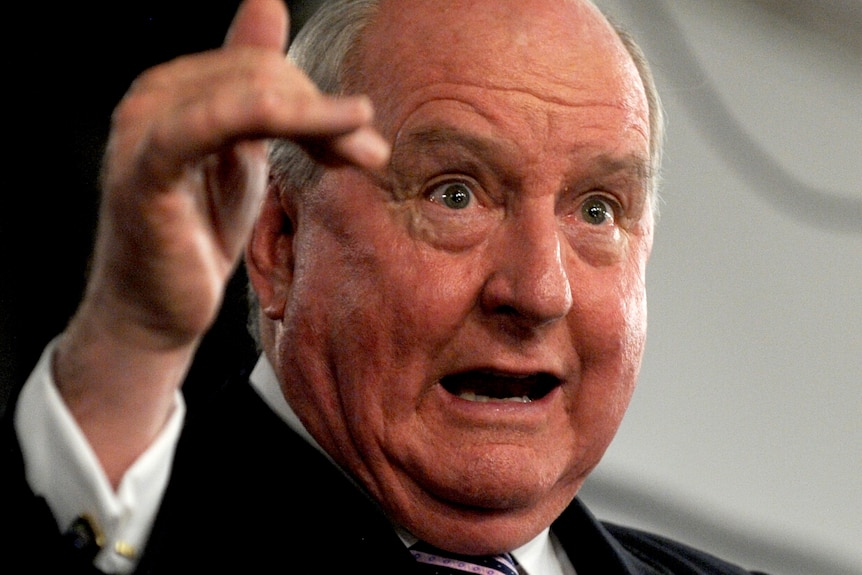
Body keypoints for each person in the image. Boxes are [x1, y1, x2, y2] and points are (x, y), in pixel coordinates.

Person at [3, 0, 769, 573]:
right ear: (280, 239)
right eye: (455, 193)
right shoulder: (129, 525)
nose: (539, 289)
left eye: (598, 209)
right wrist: (128, 348)